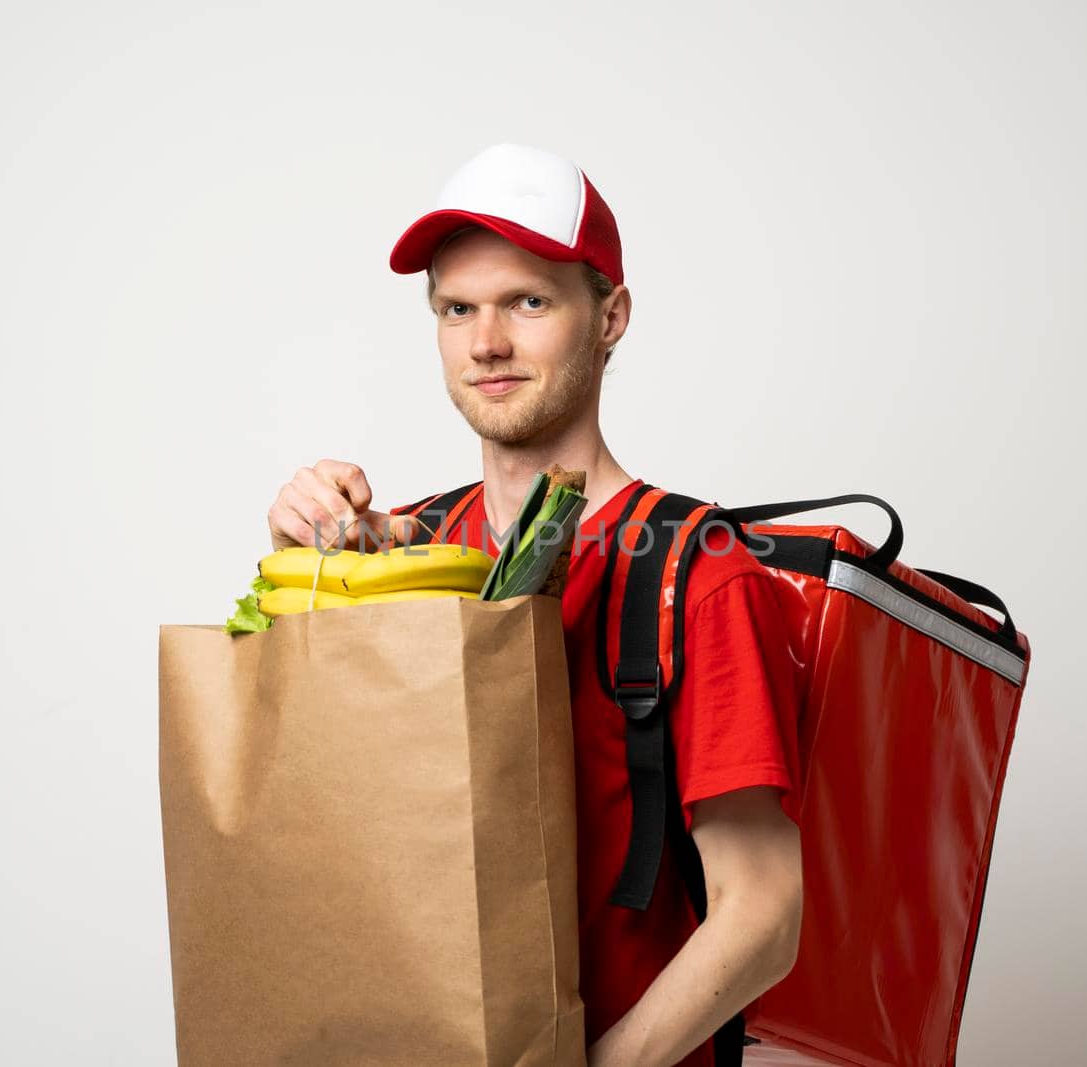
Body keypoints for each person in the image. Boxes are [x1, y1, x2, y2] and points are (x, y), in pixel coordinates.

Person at [265, 143, 804, 1067]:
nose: (487, 343)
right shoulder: (412, 551)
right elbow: (340, 816)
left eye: (529, 301)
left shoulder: (699, 574)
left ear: (611, 317)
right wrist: (300, 569)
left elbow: (763, 908)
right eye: (457, 309)